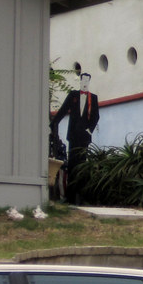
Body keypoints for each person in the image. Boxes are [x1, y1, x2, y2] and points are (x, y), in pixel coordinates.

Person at [51, 73, 99, 201]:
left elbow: (95, 116)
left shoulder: (93, 98)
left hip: (84, 137)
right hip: (73, 136)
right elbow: (63, 110)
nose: (84, 83)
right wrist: (54, 123)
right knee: (72, 163)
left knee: (82, 163)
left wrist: (90, 130)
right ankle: (70, 195)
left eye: (86, 81)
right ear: (80, 82)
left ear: (89, 82)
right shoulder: (73, 95)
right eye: (82, 80)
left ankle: (81, 194)